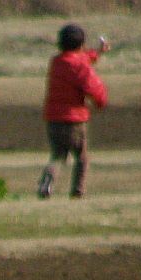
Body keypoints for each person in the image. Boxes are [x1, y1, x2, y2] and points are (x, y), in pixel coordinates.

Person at [38, 24, 109, 199]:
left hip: (53, 119)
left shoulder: (56, 62)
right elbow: (92, 86)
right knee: (81, 158)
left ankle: (46, 184)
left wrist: (97, 53)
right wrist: (101, 101)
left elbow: (79, 59)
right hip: (74, 120)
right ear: (81, 44)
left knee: (58, 156)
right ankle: (78, 190)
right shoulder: (80, 66)